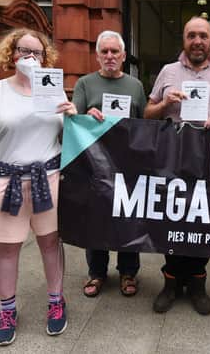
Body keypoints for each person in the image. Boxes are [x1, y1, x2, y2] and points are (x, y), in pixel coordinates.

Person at [0, 28, 77, 346]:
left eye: (36, 52)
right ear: (10, 54)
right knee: (8, 249)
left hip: (48, 178)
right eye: (23, 50)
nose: (29, 56)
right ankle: (7, 310)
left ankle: (56, 301)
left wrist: (73, 114)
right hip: (5, 180)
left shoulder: (53, 88)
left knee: (51, 244)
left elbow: (68, 135)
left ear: (45, 57)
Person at [144, 16, 210, 315]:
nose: (197, 41)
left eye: (202, 35)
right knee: (171, 220)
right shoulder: (168, 71)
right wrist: (164, 105)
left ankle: (198, 283)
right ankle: (171, 282)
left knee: (206, 221)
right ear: (184, 40)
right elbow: (147, 114)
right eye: (191, 35)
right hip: (172, 158)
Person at [72, 30, 147, 298]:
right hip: (94, 166)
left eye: (115, 51)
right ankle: (97, 272)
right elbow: (72, 118)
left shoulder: (135, 86)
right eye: (104, 51)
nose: (110, 56)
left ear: (124, 56)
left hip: (127, 165)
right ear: (97, 56)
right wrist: (86, 115)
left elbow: (144, 125)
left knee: (128, 216)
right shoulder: (84, 84)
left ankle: (129, 271)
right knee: (95, 218)